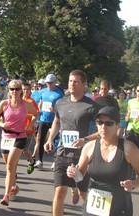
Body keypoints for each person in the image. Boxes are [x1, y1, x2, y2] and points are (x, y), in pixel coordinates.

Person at [66, 106, 139, 216]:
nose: (103, 127)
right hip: (93, 207)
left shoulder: (129, 148)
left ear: (117, 126)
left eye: (109, 123)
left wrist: (133, 184)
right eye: (100, 122)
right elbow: (80, 175)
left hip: (119, 208)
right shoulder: (89, 147)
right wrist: (73, 172)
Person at [44, 69, 100, 216]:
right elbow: (57, 121)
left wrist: (85, 140)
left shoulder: (91, 106)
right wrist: (50, 139)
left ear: (84, 85)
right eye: (70, 81)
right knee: (59, 192)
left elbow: (102, 131)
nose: (72, 84)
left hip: (82, 157)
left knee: (84, 194)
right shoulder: (60, 103)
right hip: (62, 154)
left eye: (76, 81)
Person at [0, 80, 38, 206]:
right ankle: (14, 187)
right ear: (9, 90)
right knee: (9, 167)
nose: (14, 91)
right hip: (6, 137)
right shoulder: (4, 104)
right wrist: (2, 124)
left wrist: (30, 125)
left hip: (20, 137)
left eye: (17, 89)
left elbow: (35, 114)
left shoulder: (26, 105)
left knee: (11, 166)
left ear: (21, 91)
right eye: (12, 89)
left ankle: (6, 195)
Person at [34, 74, 64, 169]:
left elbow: (62, 108)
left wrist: (54, 110)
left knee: (55, 141)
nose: (49, 85)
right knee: (40, 139)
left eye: (51, 83)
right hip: (43, 119)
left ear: (55, 82)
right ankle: (40, 160)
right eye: (47, 83)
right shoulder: (43, 91)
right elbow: (41, 102)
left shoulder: (59, 94)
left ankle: (55, 161)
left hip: (55, 120)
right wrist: (39, 108)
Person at [22, 82, 39, 174]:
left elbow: (36, 114)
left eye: (27, 90)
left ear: (30, 91)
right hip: (18, 129)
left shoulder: (31, 102)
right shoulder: (19, 100)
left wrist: (29, 122)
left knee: (24, 149)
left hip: (28, 129)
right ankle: (13, 172)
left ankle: (32, 161)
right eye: (24, 89)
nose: (25, 91)